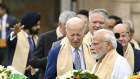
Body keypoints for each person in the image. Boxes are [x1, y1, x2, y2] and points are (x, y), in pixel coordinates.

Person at [31, 11, 76, 79]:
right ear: (60, 24)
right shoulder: (45, 38)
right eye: (67, 27)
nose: (70, 30)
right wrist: (52, 57)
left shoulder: (79, 39)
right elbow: (34, 61)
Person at [7, 11, 40, 79]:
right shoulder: (17, 36)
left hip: (32, 76)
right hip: (15, 75)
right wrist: (14, 34)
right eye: (36, 25)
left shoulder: (37, 38)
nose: (39, 27)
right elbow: (9, 41)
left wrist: (35, 67)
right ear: (30, 25)